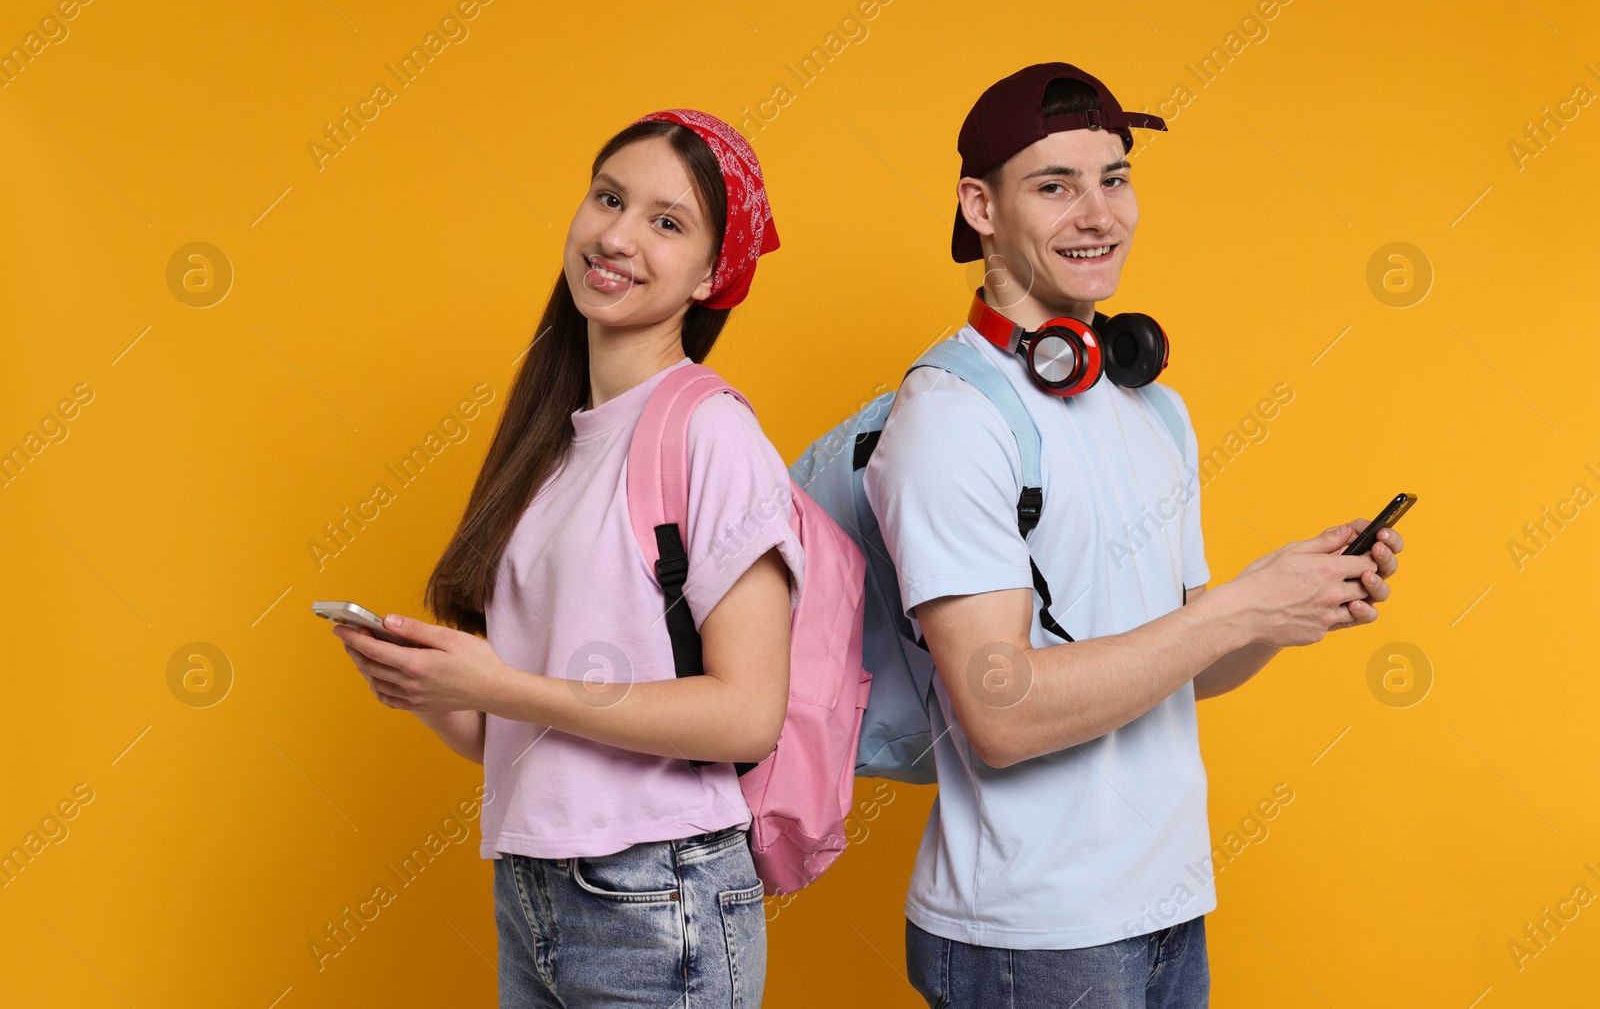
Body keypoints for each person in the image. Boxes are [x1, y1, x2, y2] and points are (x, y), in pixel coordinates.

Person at [861, 62, 1407, 1008]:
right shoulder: (952, 417)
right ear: (979, 206)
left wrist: (1279, 608)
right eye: (1055, 185)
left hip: (1164, 909)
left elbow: (1181, 664)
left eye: (1115, 179)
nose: (1099, 214)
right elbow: (999, 711)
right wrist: (1236, 607)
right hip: (1034, 933)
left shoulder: (1154, 408)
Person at [332, 109, 800, 1009]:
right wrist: (434, 688)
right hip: (535, 885)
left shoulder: (711, 430)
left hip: (660, 895)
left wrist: (502, 685)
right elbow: (526, 738)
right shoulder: (552, 447)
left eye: (667, 222)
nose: (617, 235)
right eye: (608, 197)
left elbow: (748, 713)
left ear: (713, 275)